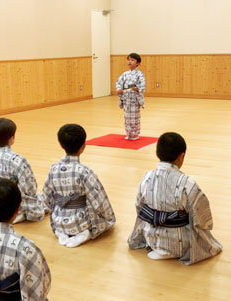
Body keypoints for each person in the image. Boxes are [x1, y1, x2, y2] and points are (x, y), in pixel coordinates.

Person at [128, 132, 222, 264]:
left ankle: (158, 244)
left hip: (152, 239)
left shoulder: (146, 178)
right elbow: (202, 218)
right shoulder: (187, 183)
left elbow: (139, 207)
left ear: (156, 153)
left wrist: (156, 216)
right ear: (181, 156)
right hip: (181, 245)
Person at [39, 124, 116, 248]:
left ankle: (61, 232)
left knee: (59, 219)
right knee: (106, 222)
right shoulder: (84, 172)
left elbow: (46, 196)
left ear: (61, 145)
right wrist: (109, 217)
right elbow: (99, 200)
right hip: (81, 221)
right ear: (83, 147)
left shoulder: (53, 169)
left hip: (58, 220)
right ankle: (86, 234)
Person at [0, 118, 45, 223]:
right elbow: (30, 189)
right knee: (44, 200)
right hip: (14, 208)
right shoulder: (18, 160)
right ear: (12, 138)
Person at [115, 53, 146, 140]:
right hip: (126, 99)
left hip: (134, 99)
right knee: (127, 117)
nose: (130, 62)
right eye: (128, 60)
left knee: (134, 117)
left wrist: (137, 89)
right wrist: (119, 89)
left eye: (132, 60)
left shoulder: (140, 74)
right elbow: (118, 83)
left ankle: (135, 134)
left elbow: (142, 85)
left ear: (138, 63)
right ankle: (128, 133)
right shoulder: (124, 74)